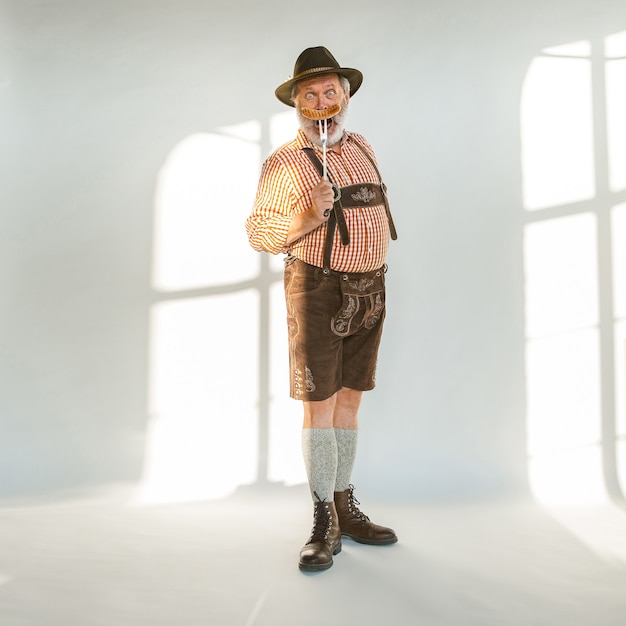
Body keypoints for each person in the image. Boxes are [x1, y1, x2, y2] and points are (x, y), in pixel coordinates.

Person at [245, 46, 398, 572]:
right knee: (319, 406)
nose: (321, 100)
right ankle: (321, 519)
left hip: (371, 288)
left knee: (351, 403)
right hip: (317, 289)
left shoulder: (361, 145)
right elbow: (259, 233)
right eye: (309, 94)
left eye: (329, 91)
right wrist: (306, 217)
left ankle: (344, 506)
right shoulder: (284, 162)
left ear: (345, 95)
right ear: (297, 103)